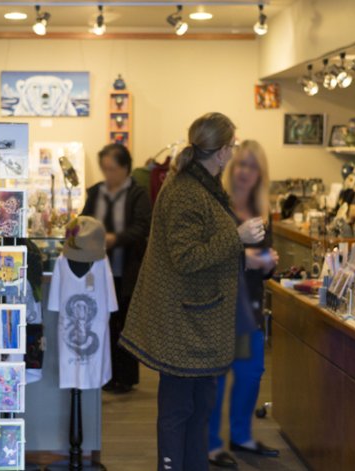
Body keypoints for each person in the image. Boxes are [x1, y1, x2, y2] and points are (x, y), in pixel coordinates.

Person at [121, 112, 266, 471]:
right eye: (231, 147)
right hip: (184, 322)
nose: (233, 154)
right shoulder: (186, 192)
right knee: (179, 410)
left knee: (199, 409)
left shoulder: (199, 185)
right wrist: (238, 237)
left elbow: (198, 250)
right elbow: (186, 258)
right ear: (219, 152)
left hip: (198, 317)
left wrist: (241, 255)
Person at [208, 140, 281, 468]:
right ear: (230, 167)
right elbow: (205, 256)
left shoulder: (261, 213)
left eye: (252, 166)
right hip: (218, 308)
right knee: (217, 379)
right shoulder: (217, 205)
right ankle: (210, 444)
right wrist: (247, 258)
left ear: (259, 174)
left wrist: (268, 262)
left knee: (251, 374)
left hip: (247, 310)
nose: (244, 172)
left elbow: (265, 265)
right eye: (240, 164)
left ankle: (241, 436)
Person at [80, 144, 151, 394]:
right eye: (104, 169)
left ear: (125, 168)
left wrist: (115, 239)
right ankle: (105, 375)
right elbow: (84, 221)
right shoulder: (96, 192)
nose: (107, 174)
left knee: (126, 324)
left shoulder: (138, 194)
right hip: (99, 271)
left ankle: (125, 377)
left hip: (127, 270)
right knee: (102, 322)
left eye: (112, 169)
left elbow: (142, 227)